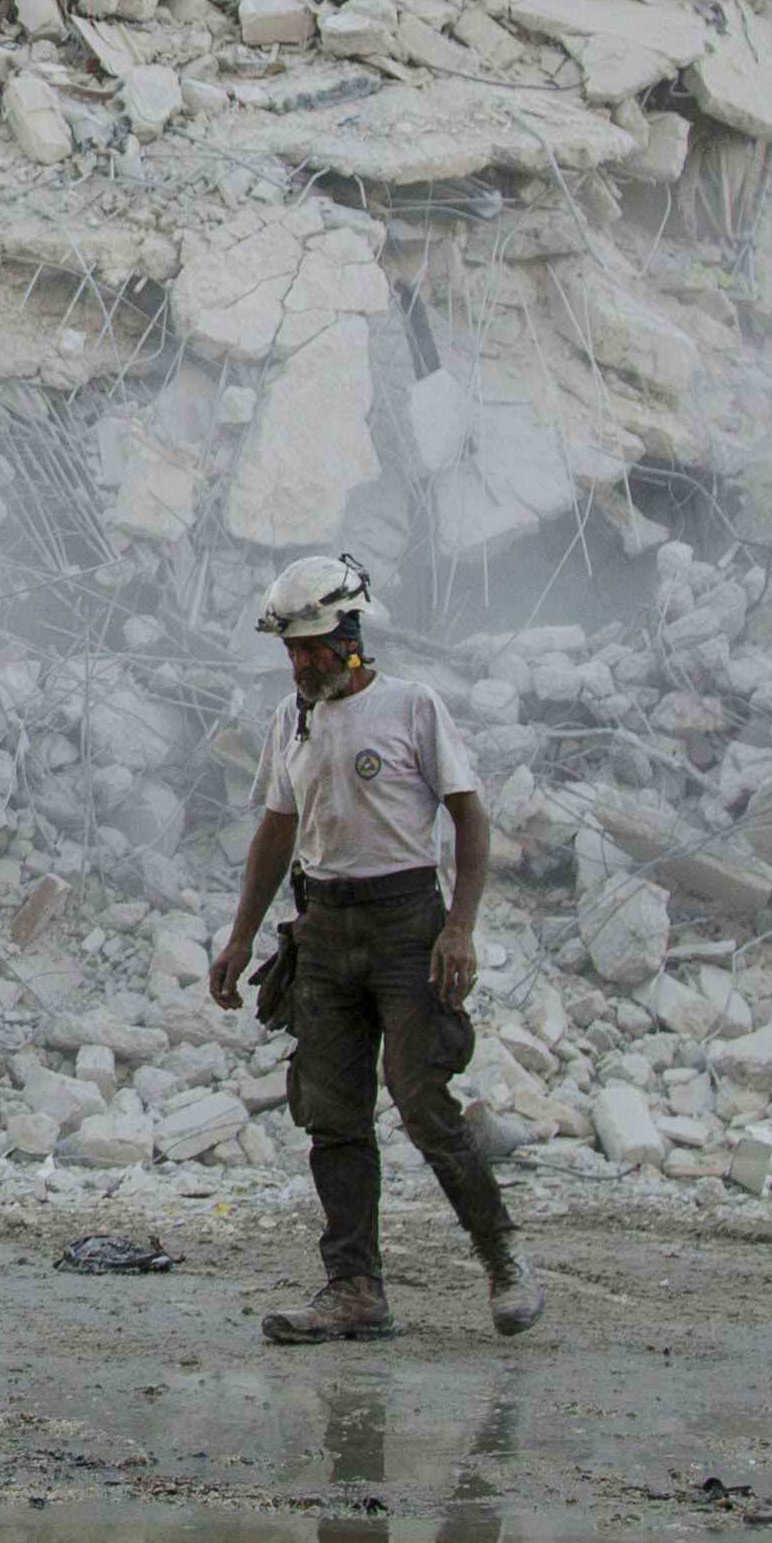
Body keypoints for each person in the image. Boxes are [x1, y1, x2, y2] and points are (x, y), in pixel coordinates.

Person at [207, 555, 539, 1345]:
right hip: (324, 930)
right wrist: (242, 935)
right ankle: (354, 1287)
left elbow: (469, 818)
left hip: (405, 927)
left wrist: (458, 927)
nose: (301, 662)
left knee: (423, 1103)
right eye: (291, 650)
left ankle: (504, 1262)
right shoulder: (290, 721)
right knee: (333, 1114)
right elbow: (278, 830)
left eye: (313, 647)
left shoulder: (412, 708)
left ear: (350, 637)